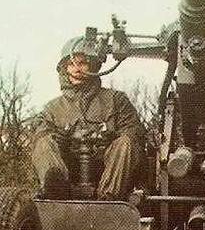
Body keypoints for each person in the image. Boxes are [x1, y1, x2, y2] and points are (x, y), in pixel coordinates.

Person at [32, 36, 145, 200]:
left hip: (109, 170)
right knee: (43, 142)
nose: (77, 69)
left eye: (82, 63)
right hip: (68, 171)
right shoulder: (52, 109)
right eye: (71, 64)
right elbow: (42, 138)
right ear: (64, 68)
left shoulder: (115, 100)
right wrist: (59, 141)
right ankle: (56, 194)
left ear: (93, 66)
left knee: (126, 142)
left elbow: (134, 132)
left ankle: (107, 200)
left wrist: (112, 138)